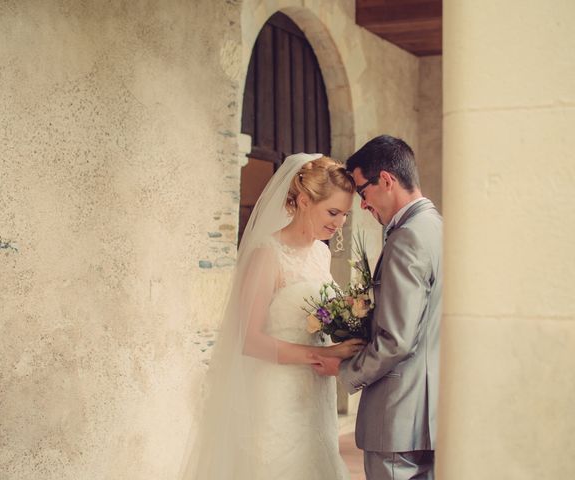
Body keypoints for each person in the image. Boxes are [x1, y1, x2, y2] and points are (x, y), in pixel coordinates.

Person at [179, 153, 362, 480]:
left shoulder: (321, 253)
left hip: (316, 394)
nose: (339, 223)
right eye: (333, 212)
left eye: (345, 215)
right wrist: (321, 354)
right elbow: (248, 340)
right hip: (277, 394)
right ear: (304, 201)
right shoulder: (268, 254)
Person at [312, 135, 443, 480]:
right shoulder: (437, 228)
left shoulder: (407, 238)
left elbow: (397, 339)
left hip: (398, 414)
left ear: (385, 180)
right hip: (430, 413)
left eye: (362, 192)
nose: (363, 205)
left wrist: (344, 370)